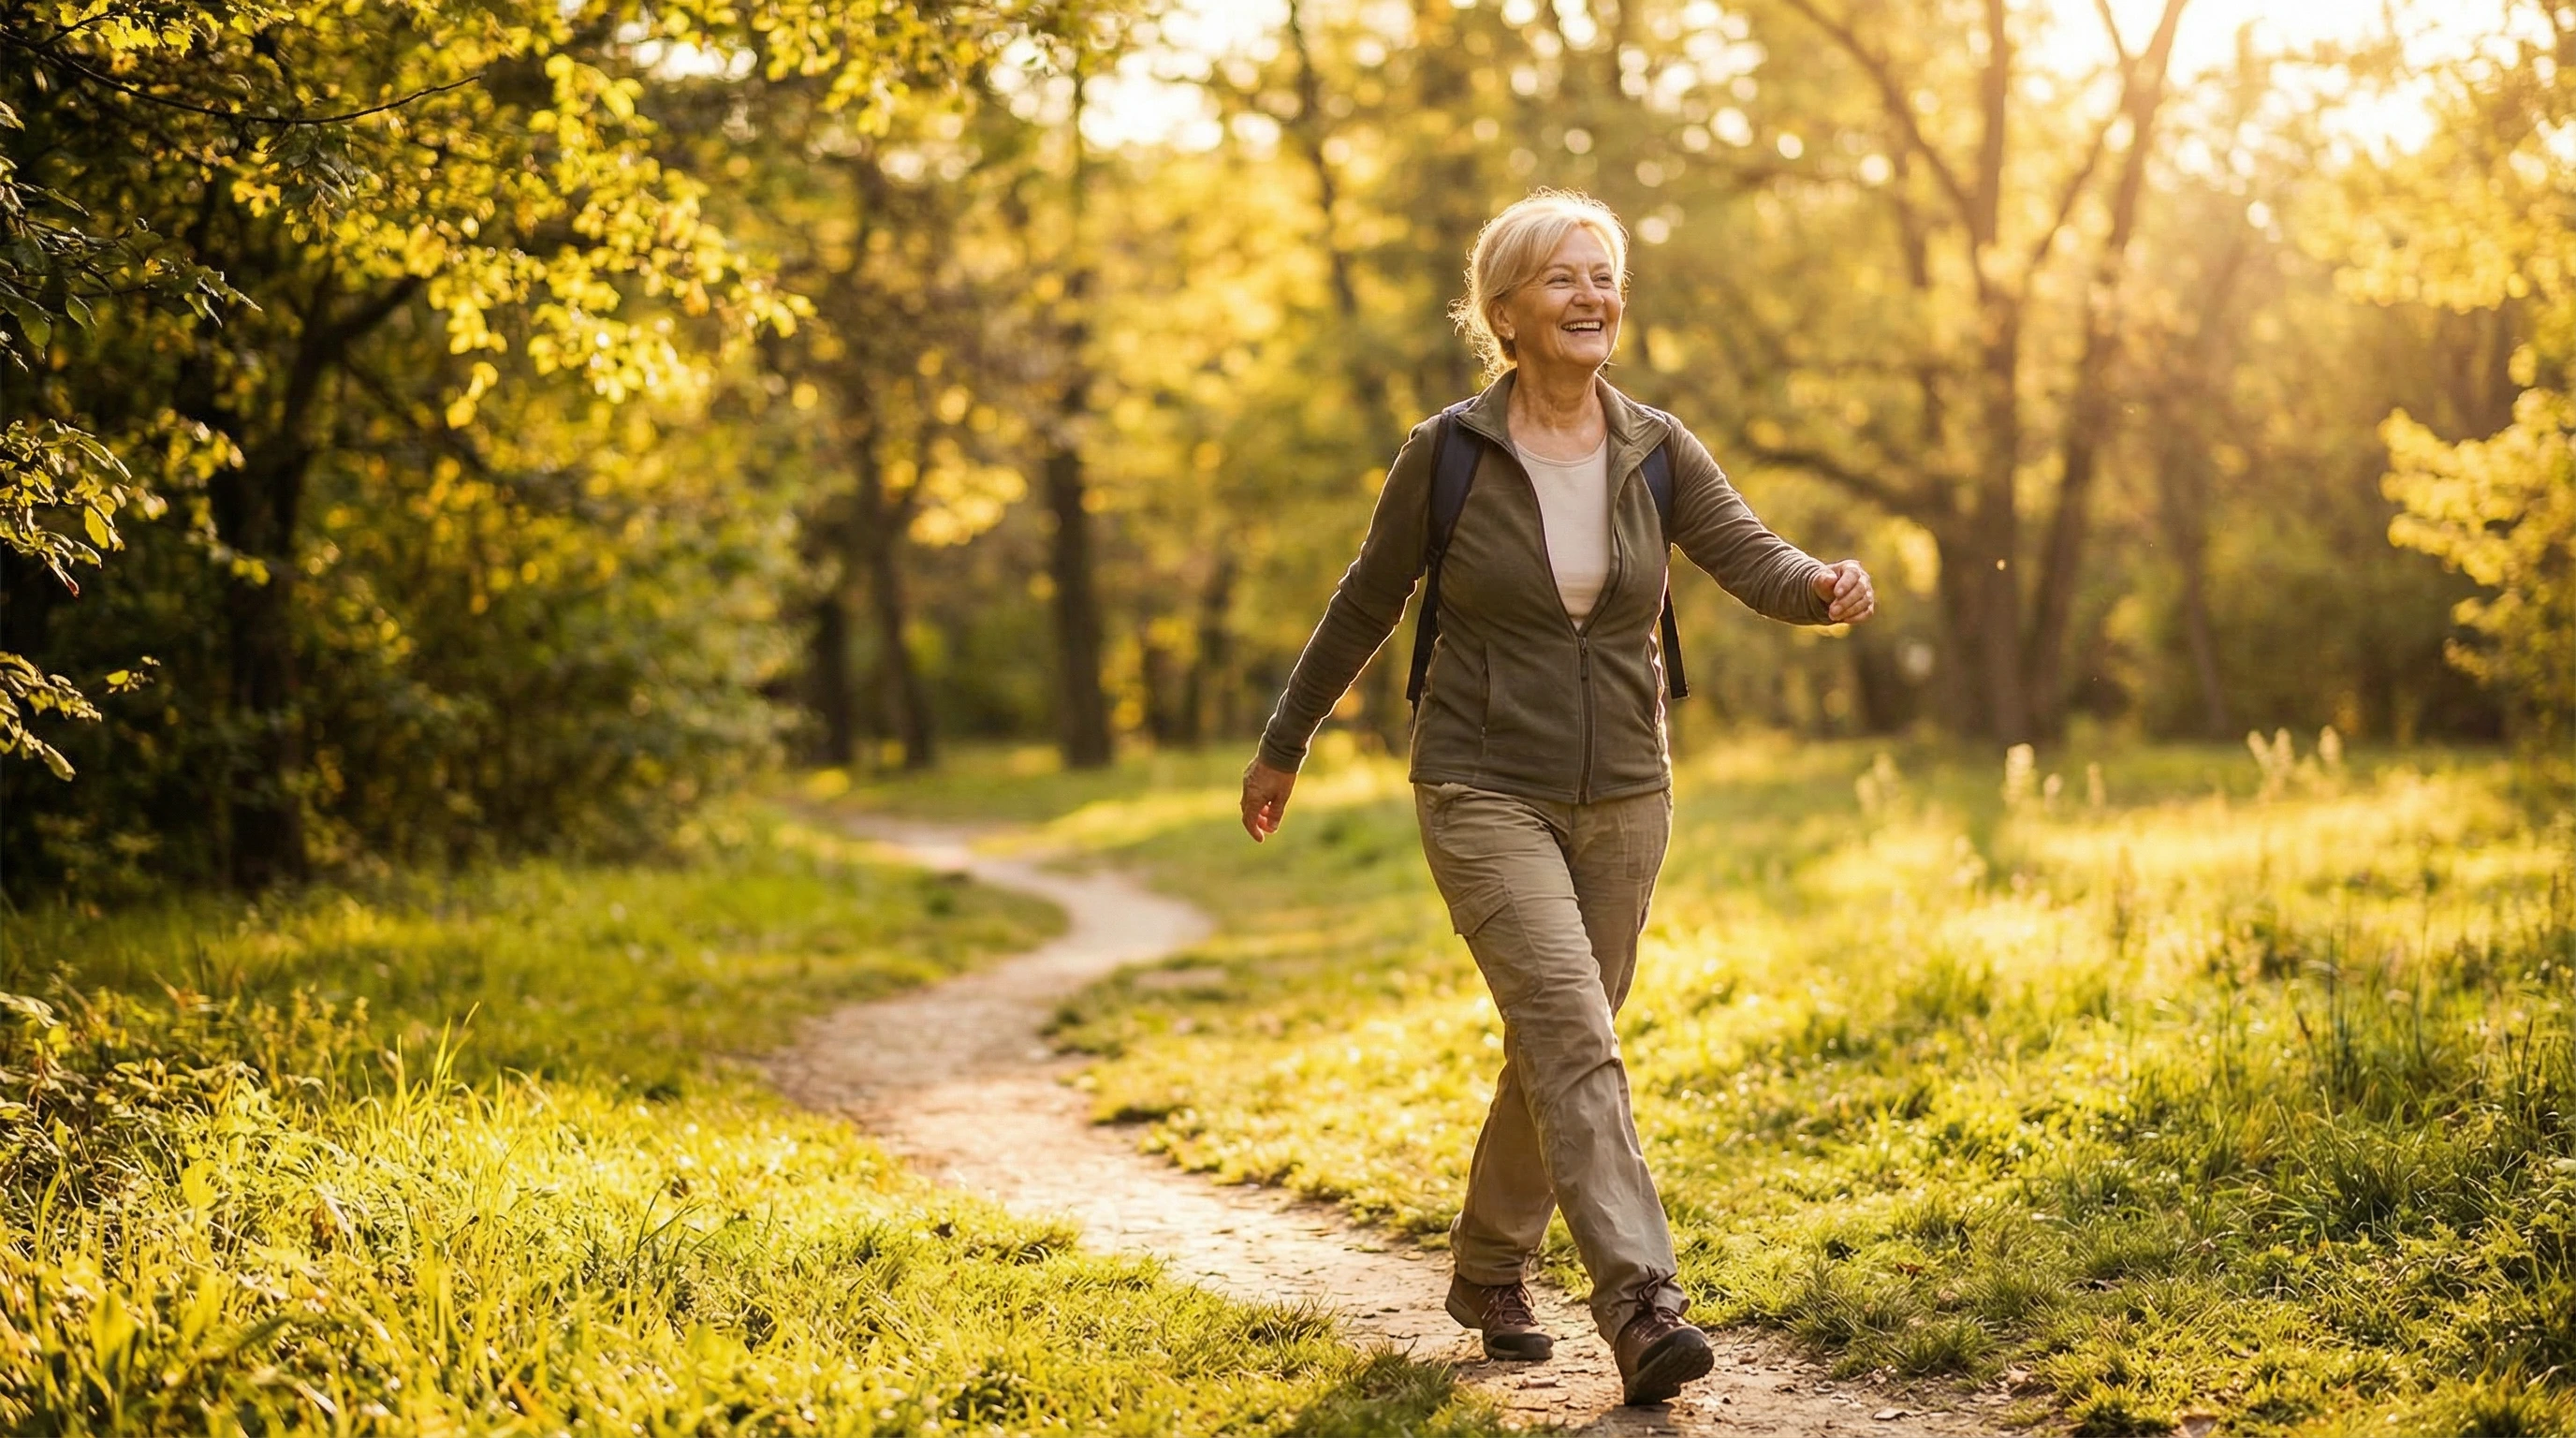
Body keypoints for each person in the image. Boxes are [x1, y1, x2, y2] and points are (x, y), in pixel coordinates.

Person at [1237, 190, 1876, 1406]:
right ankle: (1641, 1299)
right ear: (1507, 314)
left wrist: (1823, 587)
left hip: (1627, 791)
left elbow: (1753, 556)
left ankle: (1487, 1272)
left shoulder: (1655, 446)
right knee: (1575, 1036)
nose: (1594, 297)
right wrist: (1287, 743)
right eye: (1563, 279)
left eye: (1605, 276)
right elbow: (1364, 604)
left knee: (1560, 1039)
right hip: (1482, 783)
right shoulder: (1451, 456)